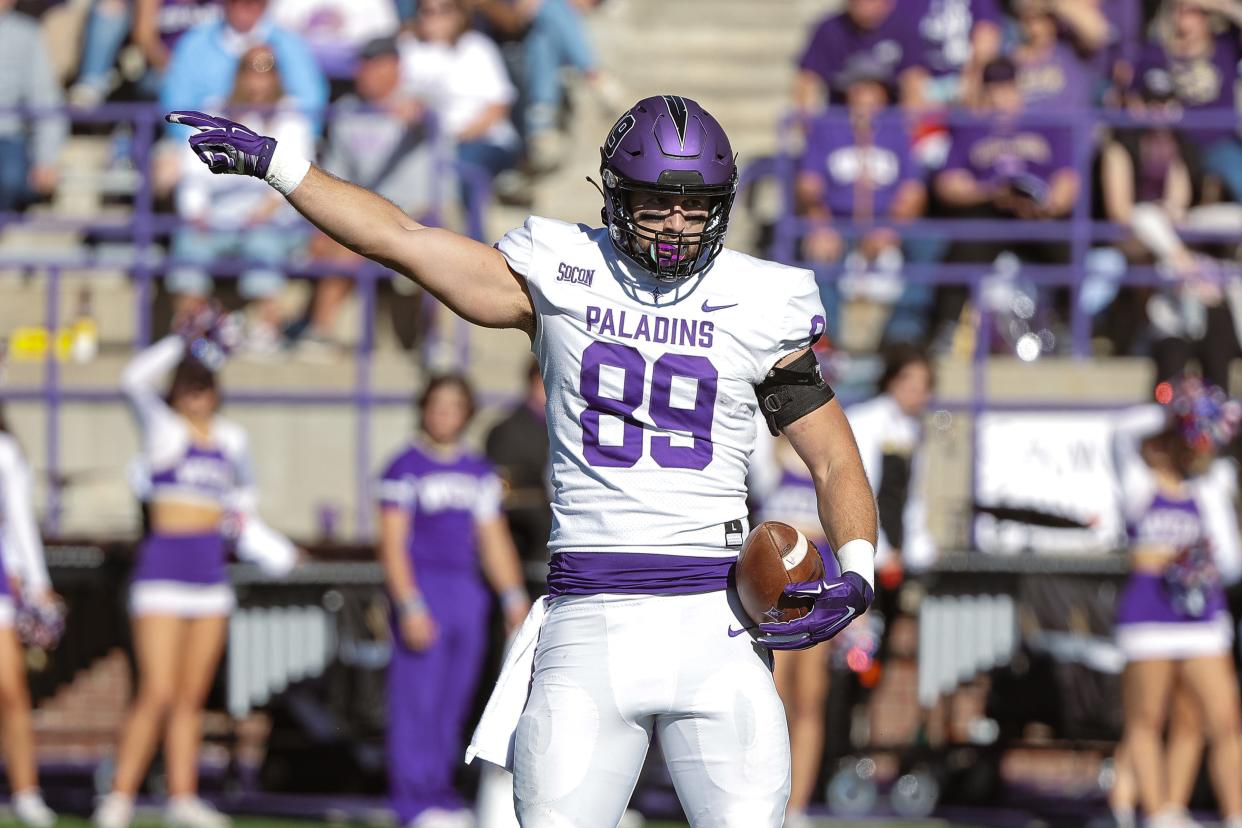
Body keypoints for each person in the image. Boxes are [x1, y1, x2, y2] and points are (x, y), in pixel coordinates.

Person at [168, 91, 879, 825]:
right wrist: (280, 165)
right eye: (656, 206)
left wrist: (857, 570)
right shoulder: (558, 270)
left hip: (719, 621)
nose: (676, 226)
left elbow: (833, 458)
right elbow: (401, 238)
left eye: (696, 208)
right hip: (589, 617)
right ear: (611, 197)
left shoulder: (761, 300)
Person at [93, 313, 299, 828]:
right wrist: (180, 340)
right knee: (156, 691)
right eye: (186, 386)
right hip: (162, 573)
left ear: (216, 392)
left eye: (203, 386)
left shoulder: (231, 439)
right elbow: (130, 380)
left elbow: (243, 505)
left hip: (210, 576)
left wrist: (268, 546)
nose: (195, 395)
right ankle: (118, 797)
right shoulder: (162, 431)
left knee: (190, 696)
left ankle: (181, 798)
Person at [378, 373, 529, 827]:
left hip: (467, 592)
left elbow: (492, 539)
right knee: (416, 698)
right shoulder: (404, 466)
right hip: (425, 589)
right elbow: (391, 542)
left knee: (456, 697)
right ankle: (413, 800)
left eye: (454, 405)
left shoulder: (478, 472)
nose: (444, 413)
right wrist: (409, 604)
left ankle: (441, 792)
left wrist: (512, 595)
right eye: (437, 404)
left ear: (467, 412)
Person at [1110, 379, 1242, 828]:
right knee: (1147, 718)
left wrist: (1191, 563)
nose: (1170, 448)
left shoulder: (1207, 489)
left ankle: (1233, 814)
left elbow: (1232, 562)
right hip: (1148, 617)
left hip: (1202, 618)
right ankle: (1161, 813)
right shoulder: (1138, 486)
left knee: (1220, 720)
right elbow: (1121, 431)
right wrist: (1178, 410)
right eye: (1166, 439)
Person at [169, 44, 314, 355]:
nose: (257, 78)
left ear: (277, 75)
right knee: (188, 241)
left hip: (270, 218)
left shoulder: (292, 115)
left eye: (266, 68)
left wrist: (262, 212)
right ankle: (189, 331)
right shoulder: (215, 110)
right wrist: (196, 213)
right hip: (217, 218)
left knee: (264, 241)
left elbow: (298, 177)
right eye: (250, 67)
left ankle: (266, 330)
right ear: (239, 73)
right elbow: (191, 174)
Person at [297, 34, 437, 357]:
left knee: (358, 241)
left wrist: (417, 115)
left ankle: (319, 330)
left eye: (372, 66)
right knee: (326, 237)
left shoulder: (416, 103)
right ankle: (303, 329)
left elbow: (431, 119)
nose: (362, 73)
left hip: (417, 212)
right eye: (361, 66)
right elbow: (334, 174)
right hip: (367, 212)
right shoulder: (347, 111)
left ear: (394, 68)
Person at [796, 58, 928, 348]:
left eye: (873, 89)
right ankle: (831, 341)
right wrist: (821, 224)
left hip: (887, 220)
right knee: (819, 252)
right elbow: (809, 185)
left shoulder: (896, 131)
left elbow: (913, 190)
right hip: (838, 220)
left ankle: (902, 335)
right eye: (859, 88)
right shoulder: (827, 128)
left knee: (930, 245)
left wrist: (891, 228)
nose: (866, 96)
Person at [750, 434, 836, 828]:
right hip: (773, 595)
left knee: (809, 702)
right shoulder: (765, 455)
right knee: (771, 697)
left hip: (821, 586)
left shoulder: (829, 454)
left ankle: (797, 807)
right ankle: (763, 800)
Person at [0, 408, 59, 828]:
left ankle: (25, 792)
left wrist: (37, 585)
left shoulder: (4, 452)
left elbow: (20, 521)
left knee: (10, 690)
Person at [398, 0, 521, 191]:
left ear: (459, 14)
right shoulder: (407, 48)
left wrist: (457, 138)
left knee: (462, 168)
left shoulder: (477, 47)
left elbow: (498, 106)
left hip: (479, 140)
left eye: (444, 10)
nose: (435, 17)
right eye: (427, 11)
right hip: (424, 142)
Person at [1131, 0, 1242, 203]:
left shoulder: (1226, 47)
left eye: (1193, 12)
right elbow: (1132, 98)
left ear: (1206, 17)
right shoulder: (1155, 53)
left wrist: (1220, 5)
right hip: (1172, 146)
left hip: (1218, 143)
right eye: (1179, 11)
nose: (1183, 19)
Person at [161, 0, 327, 134]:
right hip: (211, 147)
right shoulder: (194, 43)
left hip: (276, 143)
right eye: (234, 1)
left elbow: (312, 107)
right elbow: (176, 110)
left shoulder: (290, 43)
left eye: (252, 1)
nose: (242, 6)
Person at [484, 358, 551, 596]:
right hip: (525, 550)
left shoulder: (569, 428)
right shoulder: (507, 432)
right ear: (536, 381)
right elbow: (506, 496)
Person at [794, 0, 927, 115]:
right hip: (841, 125)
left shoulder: (903, 28)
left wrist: (905, 127)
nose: (864, 4)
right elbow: (807, 81)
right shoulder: (829, 29)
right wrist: (809, 126)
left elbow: (914, 81)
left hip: (888, 126)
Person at [0, 0, 65, 214]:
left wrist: (47, 158)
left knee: (10, 178)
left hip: (7, 138)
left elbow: (45, 99)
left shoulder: (26, 34)